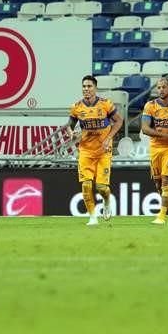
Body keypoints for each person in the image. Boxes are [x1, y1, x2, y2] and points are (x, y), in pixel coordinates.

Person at [65, 75, 123, 226]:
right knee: (86, 185)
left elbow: (119, 120)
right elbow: (69, 124)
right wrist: (71, 133)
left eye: (89, 86)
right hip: (85, 150)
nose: (86, 89)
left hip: (103, 150)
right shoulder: (77, 107)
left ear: (95, 88)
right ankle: (92, 217)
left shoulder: (105, 104)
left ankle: (107, 201)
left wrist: (109, 137)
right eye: (84, 86)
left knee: (102, 187)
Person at [141, 77, 168, 225]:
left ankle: (161, 216)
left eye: (164, 87)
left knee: (166, 180)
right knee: (158, 184)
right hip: (155, 147)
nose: (160, 90)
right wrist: (166, 135)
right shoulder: (150, 106)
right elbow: (145, 128)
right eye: (158, 87)